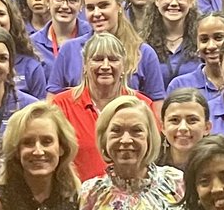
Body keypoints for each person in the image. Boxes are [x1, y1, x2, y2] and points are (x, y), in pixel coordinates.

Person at [51, 32, 156, 181]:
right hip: (78, 197)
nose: (105, 66)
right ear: (85, 66)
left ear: (124, 66)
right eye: (98, 59)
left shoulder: (143, 105)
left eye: (113, 59)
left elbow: (151, 156)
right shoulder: (62, 105)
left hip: (131, 196)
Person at [48, 0, 166, 104]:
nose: (97, 13)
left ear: (119, 6)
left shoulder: (144, 53)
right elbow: (52, 105)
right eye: (90, 8)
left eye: (103, 6)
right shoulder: (69, 50)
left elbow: (156, 110)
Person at [143, 0, 201, 89]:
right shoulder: (143, 43)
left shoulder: (202, 41)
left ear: (191, 2)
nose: (174, 3)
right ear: (157, 0)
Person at [158, 88, 211, 169]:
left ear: (207, 127)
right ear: (163, 127)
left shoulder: (218, 164)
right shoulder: (149, 164)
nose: (183, 128)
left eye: (192, 120)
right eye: (174, 120)